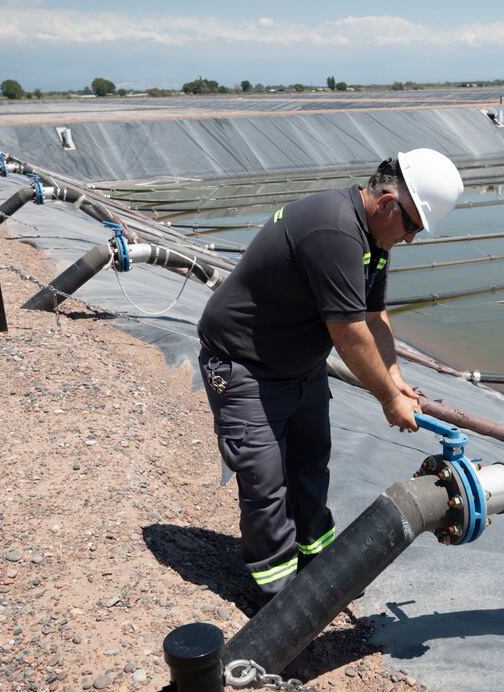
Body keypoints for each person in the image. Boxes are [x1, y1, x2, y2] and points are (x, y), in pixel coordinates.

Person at [197, 148, 464, 600]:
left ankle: (316, 561)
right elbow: (347, 330)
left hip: (299, 367)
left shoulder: (374, 240)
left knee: (309, 465)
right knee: (266, 482)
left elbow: (374, 315)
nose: (412, 239)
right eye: (413, 226)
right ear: (385, 204)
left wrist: (395, 375)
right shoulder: (335, 229)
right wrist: (388, 399)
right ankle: (279, 600)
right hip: (245, 365)